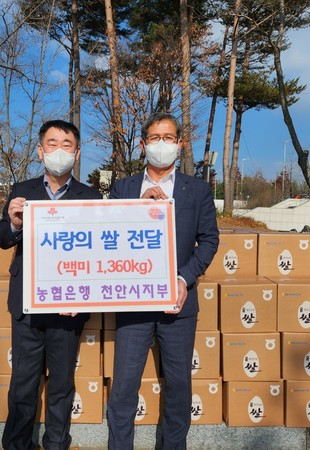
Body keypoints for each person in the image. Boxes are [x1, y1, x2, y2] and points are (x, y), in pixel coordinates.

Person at [106, 112, 219, 450]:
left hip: (178, 307)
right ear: (142, 145)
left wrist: (184, 279)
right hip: (133, 306)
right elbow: (107, 237)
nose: (161, 144)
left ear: (180, 144)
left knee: (179, 387)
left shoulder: (197, 190)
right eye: (154, 138)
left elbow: (209, 240)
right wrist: (135, 212)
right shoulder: (123, 188)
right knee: (124, 387)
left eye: (168, 138)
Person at [0, 120, 102, 450]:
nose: (59, 151)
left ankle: (57, 443)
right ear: (40, 151)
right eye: (52, 144)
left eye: (66, 145)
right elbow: (2, 240)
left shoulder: (91, 196)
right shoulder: (22, 190)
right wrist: (14, 224)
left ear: (77, 152)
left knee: (61, 385)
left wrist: (82, 297)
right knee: (23, 384)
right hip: (28, 307)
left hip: (69, 310)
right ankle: (16, 445)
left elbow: (99, 251)